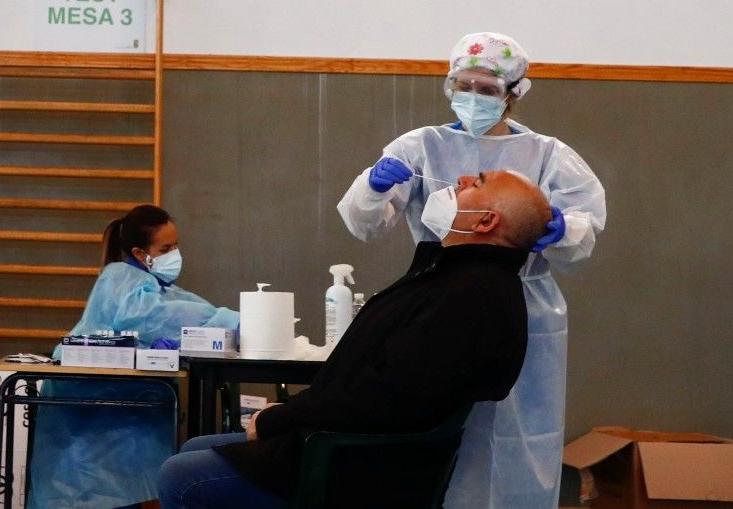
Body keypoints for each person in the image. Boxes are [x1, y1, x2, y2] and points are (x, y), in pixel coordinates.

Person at [157, 171, 552, 508]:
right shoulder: (456, 277)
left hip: (360, 464)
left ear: (485, 222)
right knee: (196, 449)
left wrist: (282, 416)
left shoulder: (472, 295)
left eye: (477, 182)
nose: (462, 179)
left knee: (182, 476)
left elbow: (385, 396)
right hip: (353, 443)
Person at [337, 32, 607, 508]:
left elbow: (584, 228)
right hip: (440, 300)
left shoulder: (547, 155)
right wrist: (372, 188)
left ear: (513, 94)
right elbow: (365, 224)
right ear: (448, 85)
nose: (474, 98)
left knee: (518, 433)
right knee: (438, 425)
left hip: (524, 305)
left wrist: (563, 229)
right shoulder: (420, 146)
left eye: (487, 89)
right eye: (464, 86)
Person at [27, 204, 240, 509]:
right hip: (89, 397)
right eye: (166, 248)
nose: (174, 253)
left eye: (176, 245)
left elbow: (188, 310)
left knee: (121, 483)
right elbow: (152, 316)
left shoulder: (156, 285)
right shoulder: (120, 278)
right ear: (141, 254)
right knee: (87, 485)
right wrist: (228, 320)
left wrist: (225, 321)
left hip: (119, 397)